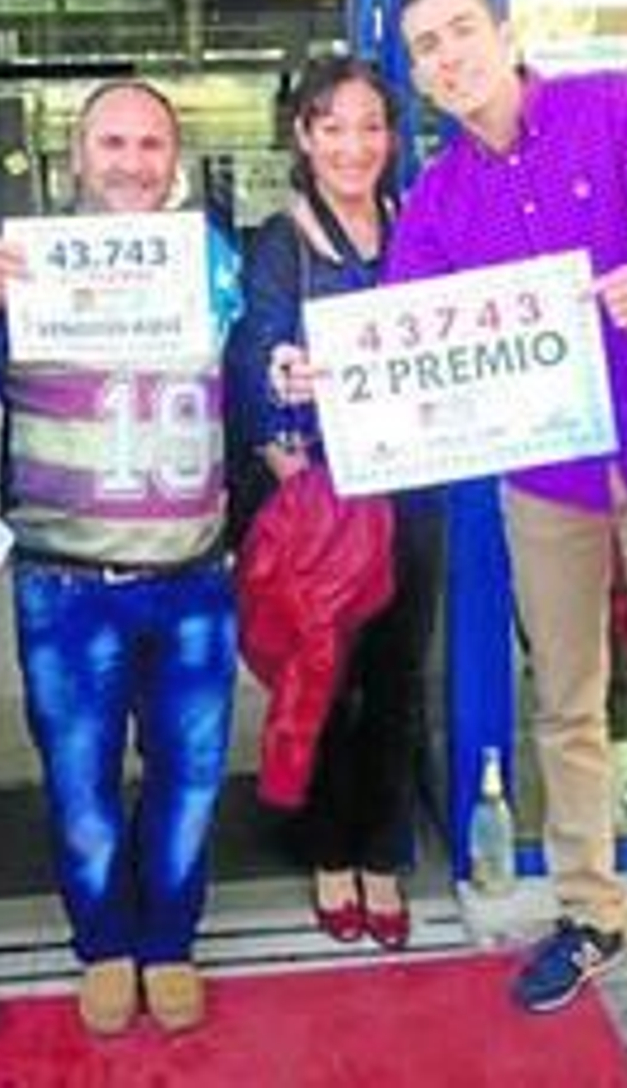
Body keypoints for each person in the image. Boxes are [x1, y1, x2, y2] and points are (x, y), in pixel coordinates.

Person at [277, 0, 627, 1080]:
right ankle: (589, 912)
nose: (447, 58)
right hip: (547, 478)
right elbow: (402, 341)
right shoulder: (439, 200)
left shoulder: (612, 109)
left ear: (505, 31)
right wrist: (323, 375)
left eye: (460, 32)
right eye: (426, 47)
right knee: (565, 703)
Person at [0, 80, 239, 1037]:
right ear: (78, 156)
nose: (132, 162)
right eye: (112, 143)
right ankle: (104, 945)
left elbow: (255, 376)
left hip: (193, 574)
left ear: (174, 159)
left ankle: (168, 940)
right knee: (81, 784)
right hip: (67, 583)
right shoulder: (28, 265)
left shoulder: (212, 260)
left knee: (190, 778)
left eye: (150, 144)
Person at [227, 57, 441, 950]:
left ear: (392, 138)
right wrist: (280, 386)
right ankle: (328, 851)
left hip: (415, 484)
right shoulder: (281, 243)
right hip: (326, 500)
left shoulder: (417, 222)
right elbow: (250, 359)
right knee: (326, 678)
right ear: (304, 137)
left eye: (371, 127)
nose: (355, 146)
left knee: (397, 678)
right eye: (333, 127)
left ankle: (382, 853)